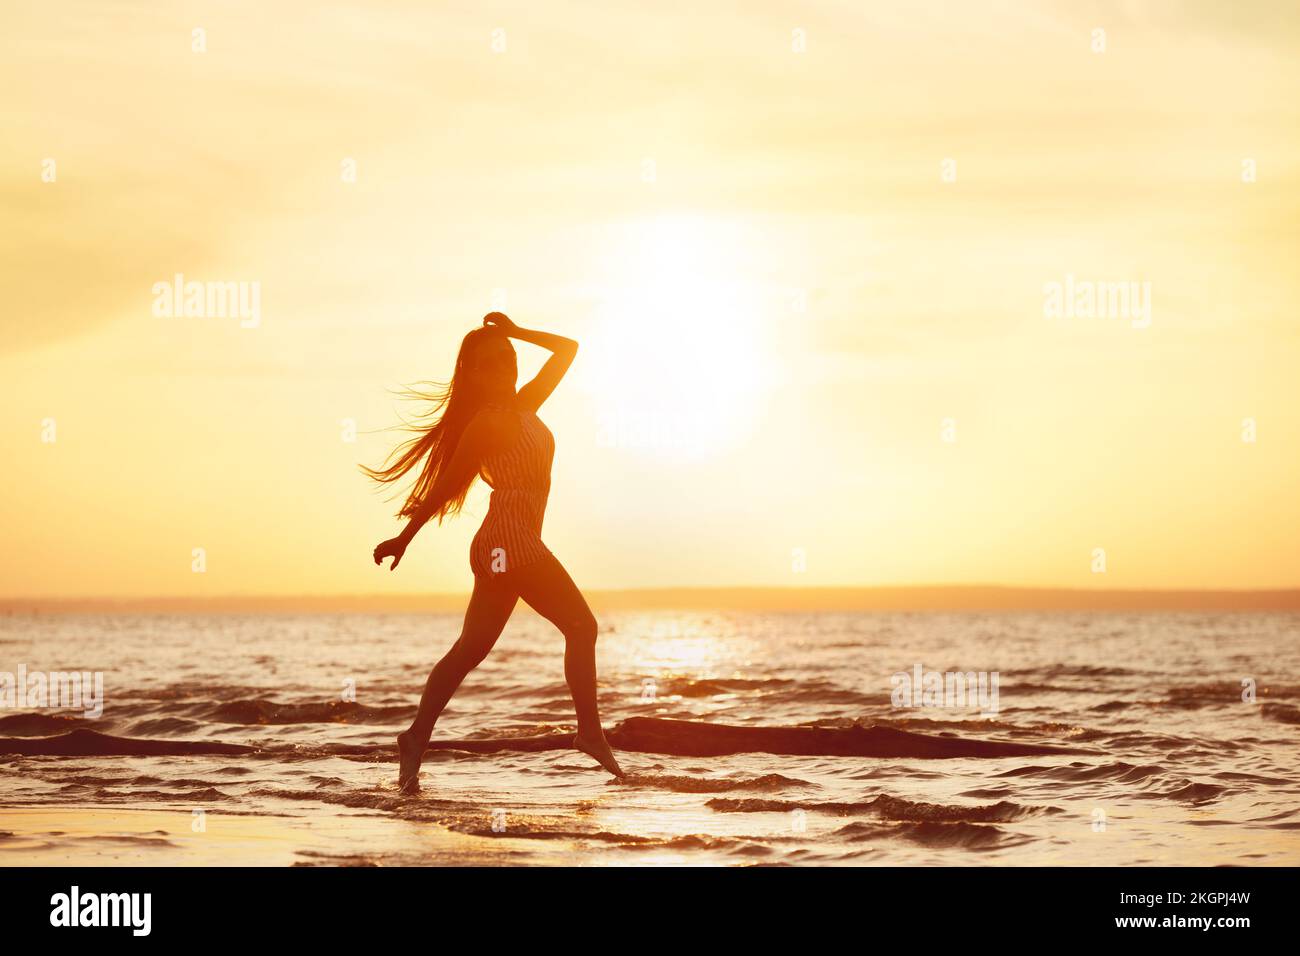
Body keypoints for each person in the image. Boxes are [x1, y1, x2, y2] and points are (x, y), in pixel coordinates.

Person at [367, 312, 625, 793]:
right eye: (494, 362)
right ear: (476, 373)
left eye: (509, 358)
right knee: (581, 626)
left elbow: (568, 348)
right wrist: (405, 537)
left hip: (505, 546)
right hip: (508, 543)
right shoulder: (486, 423)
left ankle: (415, 736)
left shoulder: (527, 404)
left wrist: (516, 331)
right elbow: (447, 485)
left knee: (470, 650)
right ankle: (589, 733)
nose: (507, 366)